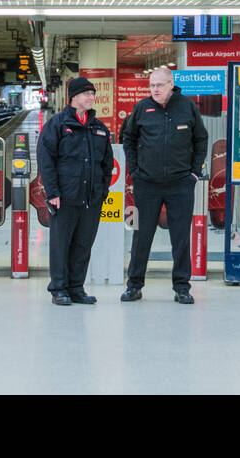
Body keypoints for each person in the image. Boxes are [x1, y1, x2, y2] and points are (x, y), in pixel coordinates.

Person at [121, 66, 209, 304]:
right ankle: (134, 285)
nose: (154, 90)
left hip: (180, 184)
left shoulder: (187, 107)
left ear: (171, 85)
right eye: (151, 85)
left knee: (180, 237)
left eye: (159, 85)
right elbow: (128, 138)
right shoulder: (142, 108)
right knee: (141, 236)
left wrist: (194, 172)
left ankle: (182, 287)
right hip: (146, 184)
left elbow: (201, 139)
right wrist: (135, 171)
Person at [37, 76, 114, 306]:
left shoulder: (98, 128)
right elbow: (46, 160)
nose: (91, 97)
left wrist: (102, 189)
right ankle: (58, 288)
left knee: (83, 244)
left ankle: (76, 287)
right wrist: (53, 193)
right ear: (74, 97)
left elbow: (107, 163)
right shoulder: (58, 124)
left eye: (93, 94)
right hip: (65, 197)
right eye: (86, 94)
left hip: (91, 198)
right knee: (61, 244)